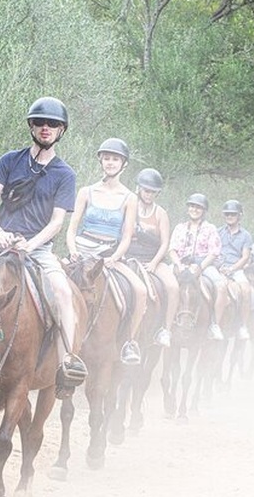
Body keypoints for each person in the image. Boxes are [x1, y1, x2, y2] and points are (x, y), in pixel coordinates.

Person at [0, 96, 87, 398]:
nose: (45, 127)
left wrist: (31, 244)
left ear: (61, 130)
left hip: (38, 250)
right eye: (40, 122)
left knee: (64, 292)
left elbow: (56, 222)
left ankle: (68, 361)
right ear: (31, 125)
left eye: (52, 124)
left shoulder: (64, 174)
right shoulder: (9, 160)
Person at [66, 138, 147, 365]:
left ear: (124, 164)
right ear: (101, 160)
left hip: (109, 255)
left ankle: (130, 343)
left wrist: (114, 257)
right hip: (81, 252)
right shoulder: (86, 192)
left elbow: (127, 235)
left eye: (115, 159)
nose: (110, 163)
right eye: (107, 158)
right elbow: (71, 229)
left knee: (140, 290)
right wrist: (73, 251)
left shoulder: (130, 197)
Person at [125, 168, 180, 348]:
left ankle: (166, 329)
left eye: (153, 192)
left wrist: (154, 263)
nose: (149, 194)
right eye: (146, 190)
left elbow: (165, 243)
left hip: (153, 259)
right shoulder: (129, 208)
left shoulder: (160, 213)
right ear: (139, 189)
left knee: (173, 286)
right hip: (129, 256)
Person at [168, 193, 230, 341]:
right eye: (192, 206)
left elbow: (214, 252)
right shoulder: (179, 227)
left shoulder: (210, 228)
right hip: (181, 264)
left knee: (221, 286)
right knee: (164, 285)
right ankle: (163, 325)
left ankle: (215, 325)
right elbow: (172, 250)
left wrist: (200, 267)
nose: (194, 209)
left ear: (203, 210)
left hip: (203, 264)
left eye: (198, 207)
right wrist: (178, 264)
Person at [216, 199, 253, 340]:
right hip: (218, 268)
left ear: (239, 216)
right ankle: (213, 324)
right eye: (227, 214)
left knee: (246, 290)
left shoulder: (246, 235)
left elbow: (245, 257)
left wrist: (231, 269)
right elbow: (213, 251)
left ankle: (243, 326)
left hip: (236, 269)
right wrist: (219, 266)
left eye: (233, 214)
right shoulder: (218, 232)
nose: (229, 217)